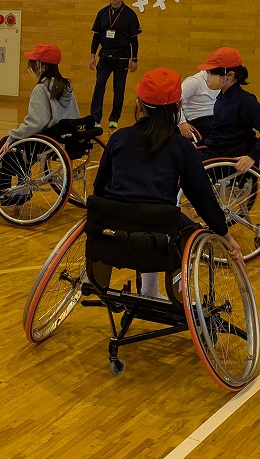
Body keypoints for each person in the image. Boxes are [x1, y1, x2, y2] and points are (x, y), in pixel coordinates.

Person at [94, 67, 243, 298]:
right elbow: (202, 198)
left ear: (138, 104)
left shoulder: (119, 138)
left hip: (113, 229)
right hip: (157, 232)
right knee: (186, 227)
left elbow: (100, 186)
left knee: (148, 216)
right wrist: (226, 235)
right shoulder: (182, 148)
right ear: (178, 107)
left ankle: (99, 278)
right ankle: (166, 292)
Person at [0, 42, 81, 204]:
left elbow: (36, 122)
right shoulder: (66, 85)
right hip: (67, 139)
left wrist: (12, 137)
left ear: (42, 67)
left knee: (5, 146)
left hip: (48, 142)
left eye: (34, 62)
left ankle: (11, 190)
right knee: (18, 145)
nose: (31, 66)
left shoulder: (42, 89)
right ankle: (20, 186)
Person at [195, 47, 260, 172]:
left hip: (226, 155)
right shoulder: (222, 97)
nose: (207, 76)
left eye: (212, 73)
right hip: (216, 149)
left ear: (230, 75)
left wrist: (252, 156)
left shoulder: (245, 101)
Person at [87, 0, 141, 129]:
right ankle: (95, 118)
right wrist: (92, 56)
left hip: (122, 57)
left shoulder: (130, 15)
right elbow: (96, 36)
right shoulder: (102, 13)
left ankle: (114, 118)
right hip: (104, 56)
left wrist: (134, 59)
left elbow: (134, 40)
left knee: (119, 87)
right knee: (99, 85)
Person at [178, 67, 221, 141]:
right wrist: (182, 123)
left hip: (215, 115)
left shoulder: (224, 80)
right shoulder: (194, 81)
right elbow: (175, 101)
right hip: (197, 118)